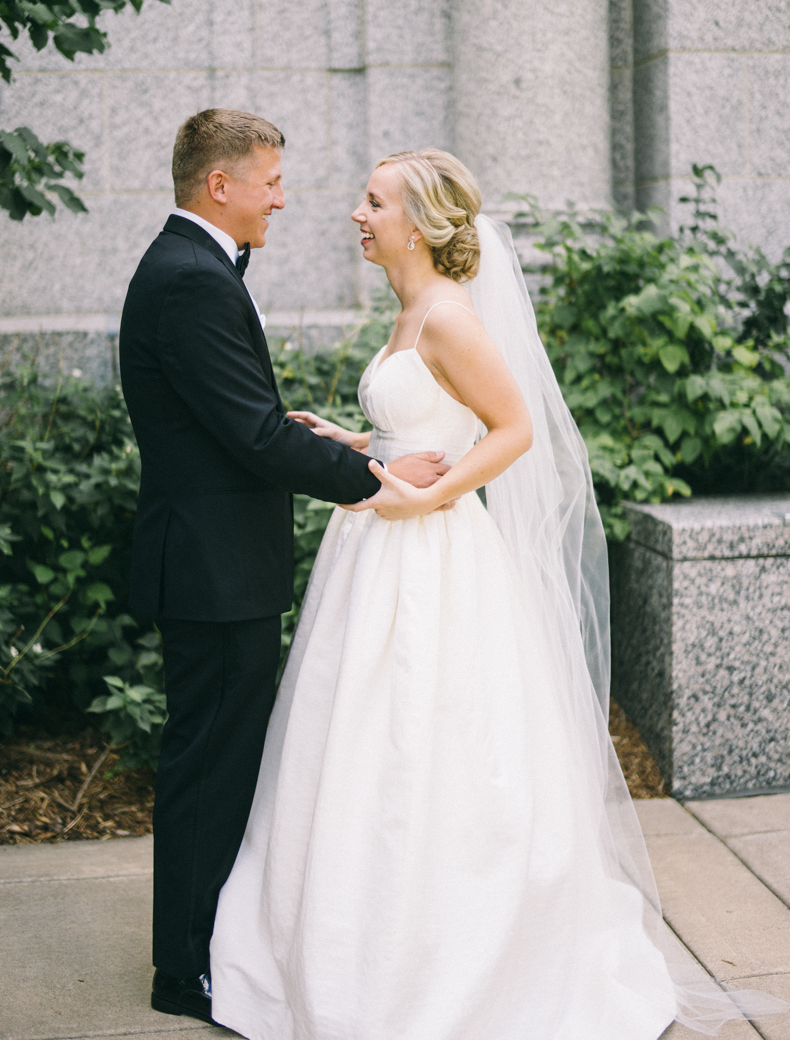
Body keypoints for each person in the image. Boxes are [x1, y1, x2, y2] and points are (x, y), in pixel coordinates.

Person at [209, 149, 787, 1038]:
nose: (357, 214)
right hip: (377, 546)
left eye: (374, 202)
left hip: (432, 552)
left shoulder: (447, 316)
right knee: (366, 735)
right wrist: (356, 439)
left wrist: (434, 494)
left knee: (434, 737)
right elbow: (425, 426)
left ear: (420, 222)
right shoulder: (410, 310)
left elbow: (512, 428)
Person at [118, 111, 451, 1024]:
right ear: (218, 185)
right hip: (212, 572)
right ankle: (185, 970)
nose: (283, 196)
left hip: (216, 564)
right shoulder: (190, 280)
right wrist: (378, 477)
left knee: (219, 758)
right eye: (269, 180)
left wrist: (339, 447)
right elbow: (253, 435)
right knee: (210, 765)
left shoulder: (188, 270)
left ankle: (207, 943)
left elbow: (245, 426)